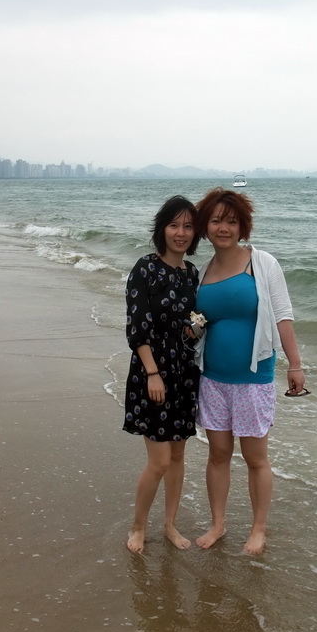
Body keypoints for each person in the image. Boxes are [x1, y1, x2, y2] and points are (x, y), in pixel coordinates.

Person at [192, 188, 306, 556]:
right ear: (204, 225)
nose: (223, 228)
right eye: (215, 220)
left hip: (253, 378)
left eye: (231, 221)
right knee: (218, 454)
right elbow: (199, 325)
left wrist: (295, 364)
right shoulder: (202, 271)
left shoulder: (262, 263)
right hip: (212, 378)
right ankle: (218, 524)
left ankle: (258, 529)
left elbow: (283, 314)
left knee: (256, 457)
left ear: (243, 225)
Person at [122, 196, 202, 554]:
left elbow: (189, 325)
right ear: (162, 229)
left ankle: (170, 525)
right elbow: (136, 327)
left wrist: (194, 330)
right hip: (152, 372)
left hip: (184, 372)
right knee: (159, 461)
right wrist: (152, 372)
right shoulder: (146, 268)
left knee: (179, 457)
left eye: (187, 226)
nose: (180, 233)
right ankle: (138, 526)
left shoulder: (192, 273)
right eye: (174, 225)